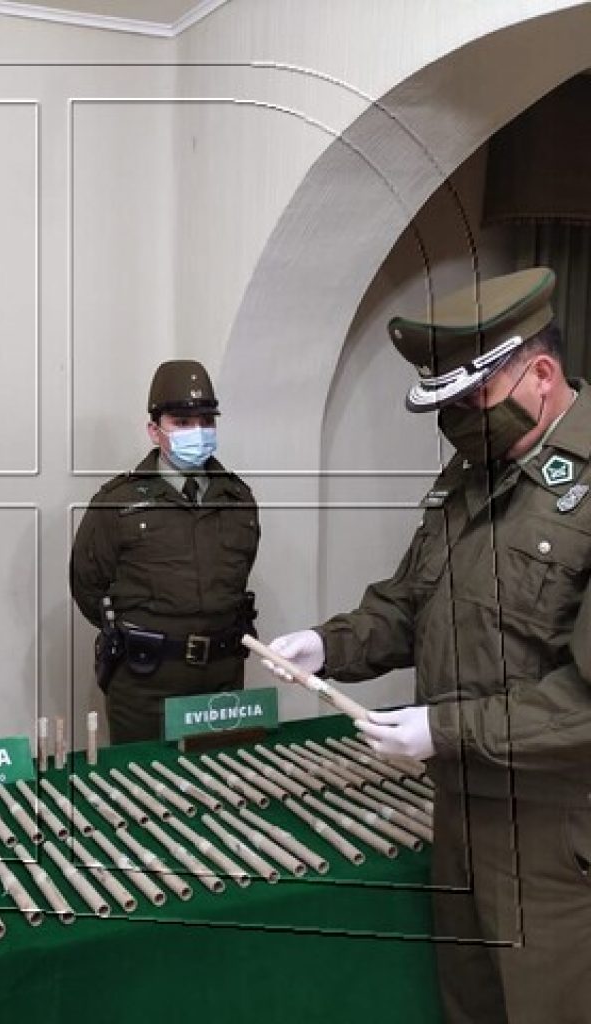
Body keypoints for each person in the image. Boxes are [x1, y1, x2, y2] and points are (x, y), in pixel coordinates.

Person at [269, 267, 591, 1024]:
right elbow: (413, 604)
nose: (457, 423)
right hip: (460, 805)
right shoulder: (474, 474)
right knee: (470, 1006)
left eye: (470, 400)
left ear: (539, 375)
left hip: (557, 829)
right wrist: (328, 644)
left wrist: (440, 729)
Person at [70, 359, 259, 743]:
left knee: (227, 788)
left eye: (207, 421)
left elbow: (238, 575)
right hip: (146, 684)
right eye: (183, 423)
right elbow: (89, 587)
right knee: (145, 794)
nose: (198, 432)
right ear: (155, 431)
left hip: (223, 681)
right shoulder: (117, 503)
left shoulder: (238, 498)